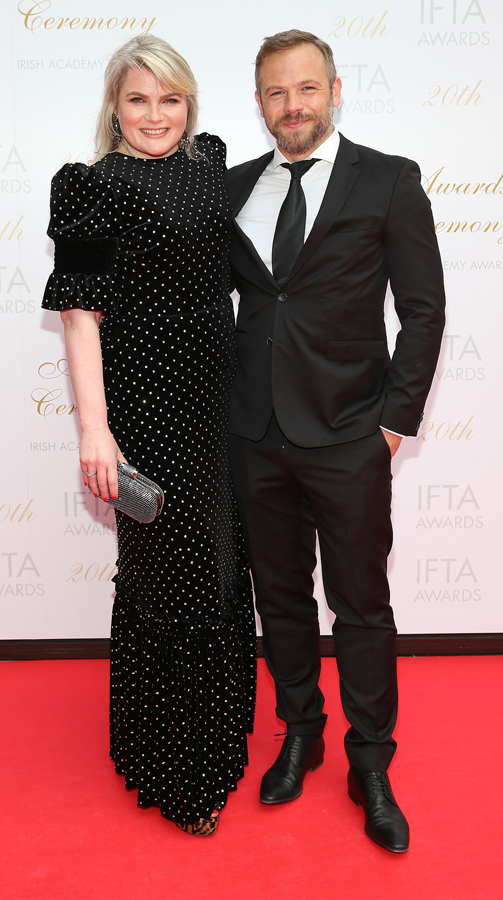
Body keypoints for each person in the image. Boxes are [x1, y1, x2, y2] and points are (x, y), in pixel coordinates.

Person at [225, 29, 445, 853]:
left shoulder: (388, 181)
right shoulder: (235, 186)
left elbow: (423, 310)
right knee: (278, 600)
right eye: (277, 93)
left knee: (360, 606)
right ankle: (299, 732)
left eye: (307, 89)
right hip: (254, 435)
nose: (293, 106)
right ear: (259, 103)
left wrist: (392, 423)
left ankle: (369, 762)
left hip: (350, 435)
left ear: (335, 89)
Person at [42, 33, 256, 836]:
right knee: (172, 571)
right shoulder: (89, 186)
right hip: (144, 400)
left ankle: (222, 732)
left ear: (189, 103)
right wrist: (96, 433)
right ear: (114, 105)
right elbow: (78, 317)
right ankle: (178, 770)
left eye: (169, 99)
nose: (154, 115)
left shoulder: (211, 162)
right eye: (138, 99)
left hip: (220, 396)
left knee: (223, 555)